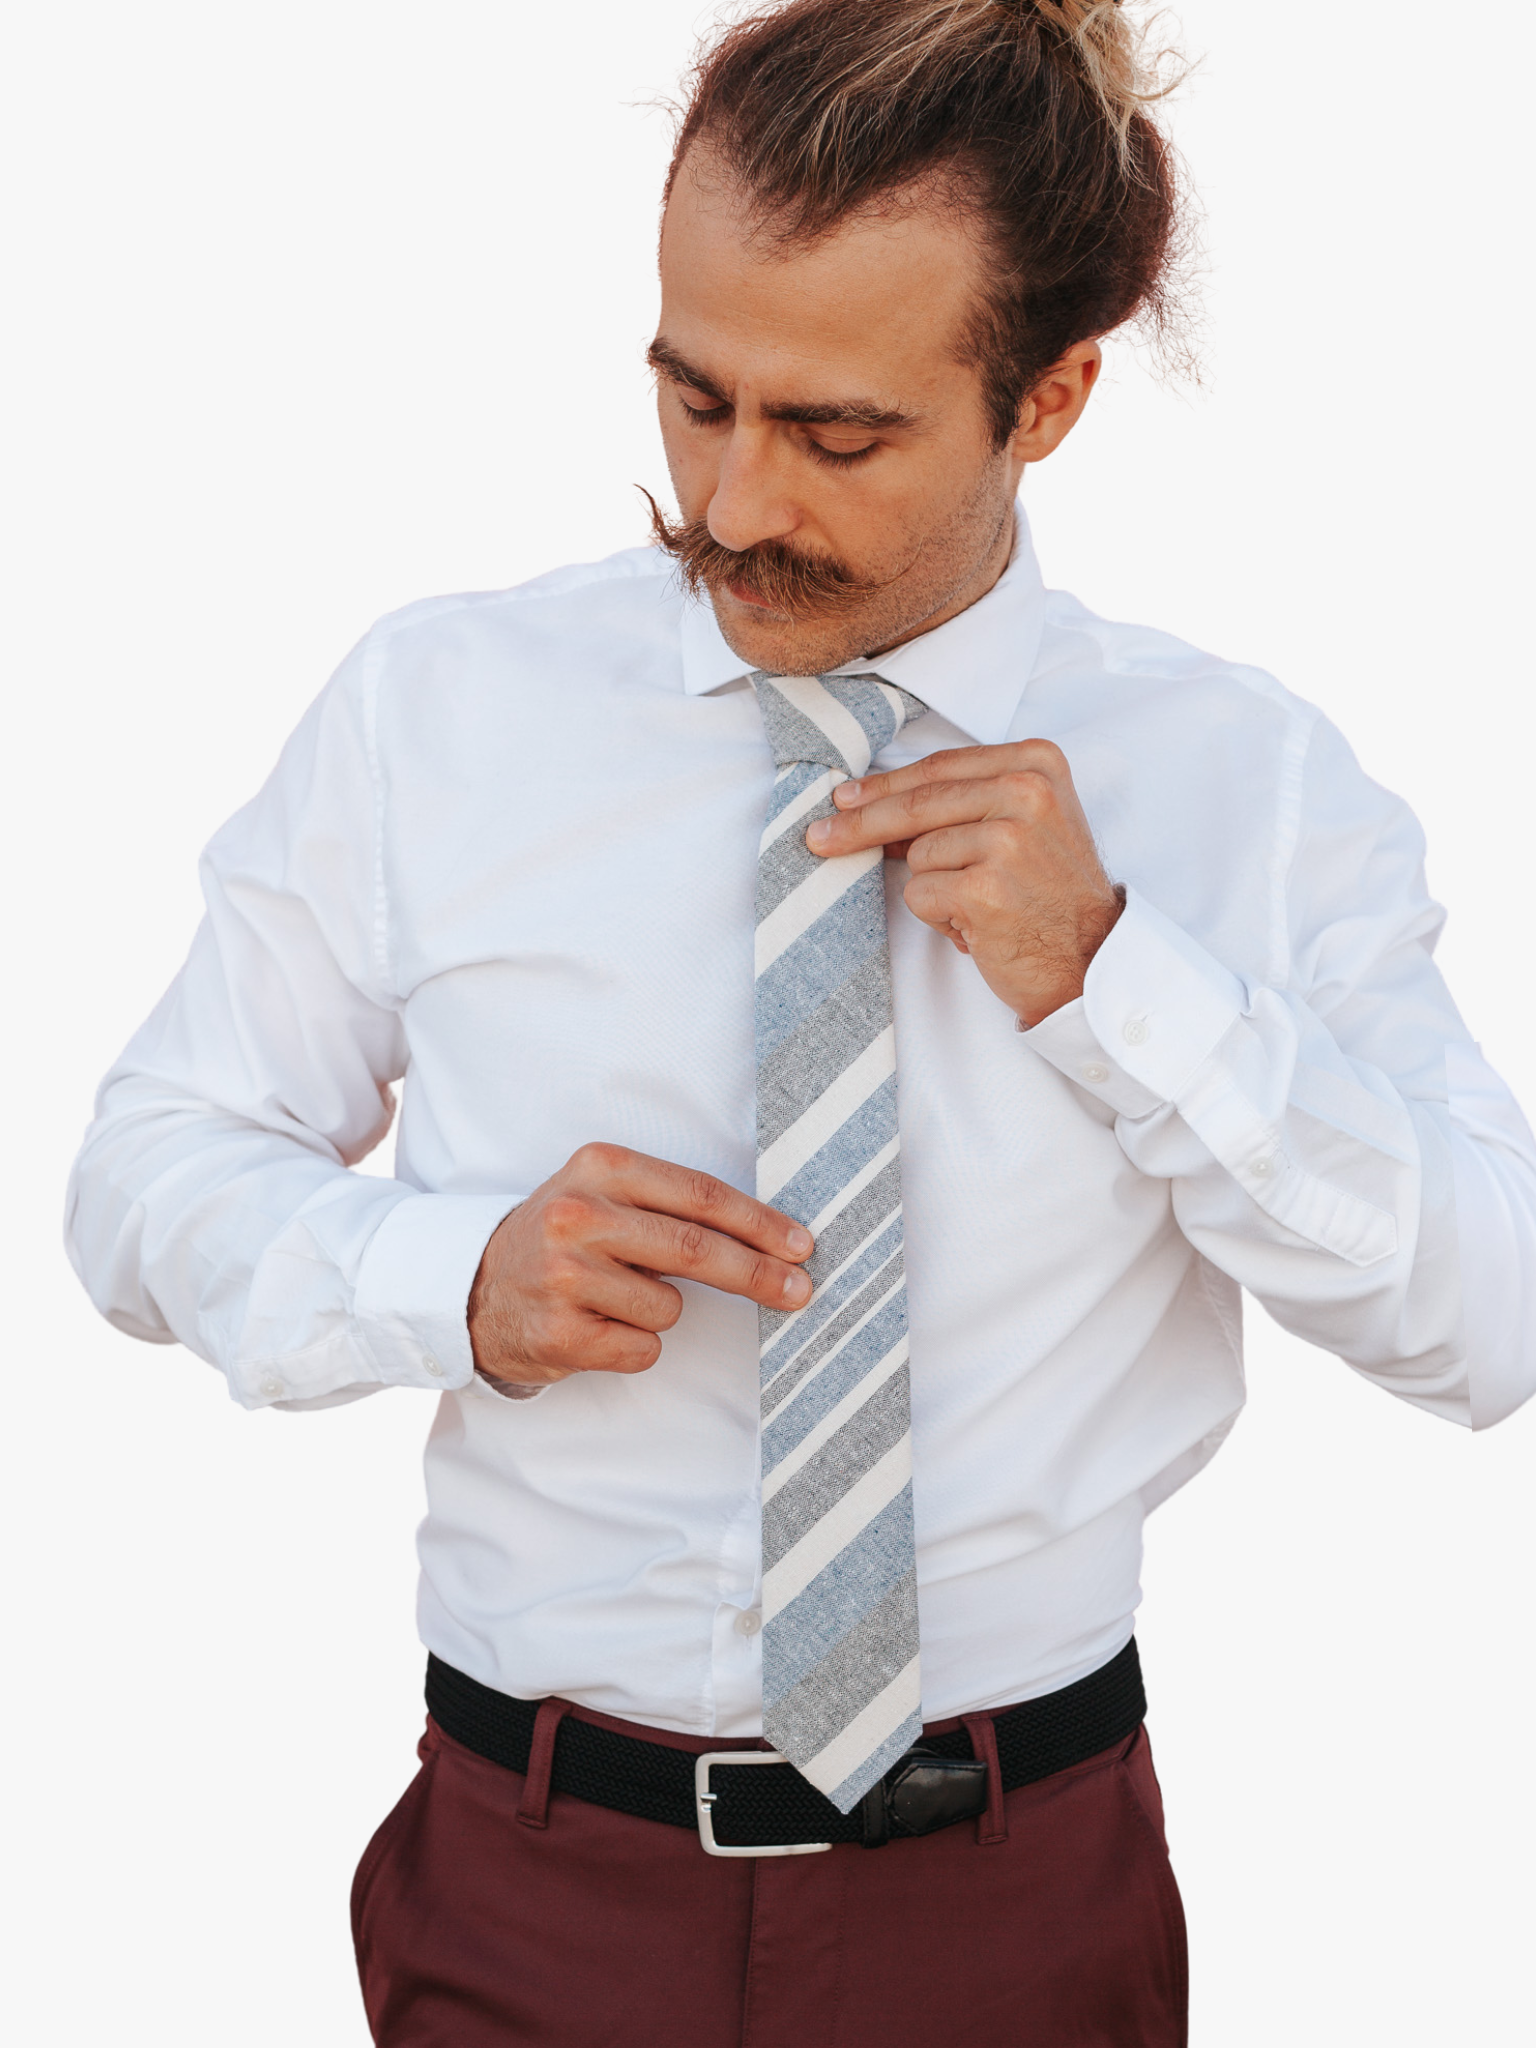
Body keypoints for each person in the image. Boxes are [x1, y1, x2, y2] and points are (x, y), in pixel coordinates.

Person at [64, 2, 1536, 2042]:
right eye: (692, 397)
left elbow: (1489, 1316)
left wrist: (1123, 978)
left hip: (1023, 1906)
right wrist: (444, 1272)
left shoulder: (1243, 791)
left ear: (1056, 394)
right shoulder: (441, 712)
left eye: (838, 433)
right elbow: (145, 1172)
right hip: (531, 1887)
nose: (735, 501)